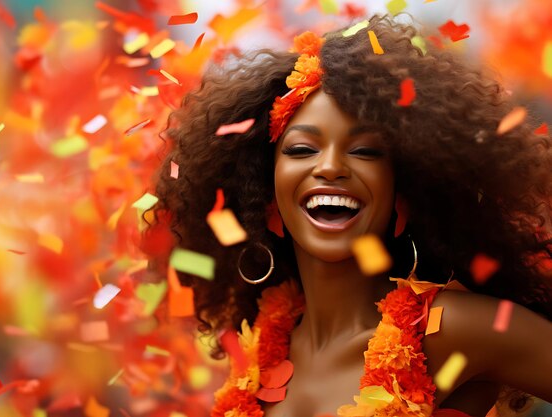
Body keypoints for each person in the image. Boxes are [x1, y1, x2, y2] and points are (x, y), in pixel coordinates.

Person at [152, 14, 552, 417]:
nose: (329, 167)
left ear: (406, 188)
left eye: (365, 151)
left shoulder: (451, 329)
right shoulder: (261, 351)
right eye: (302, 150)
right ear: (263, 187)